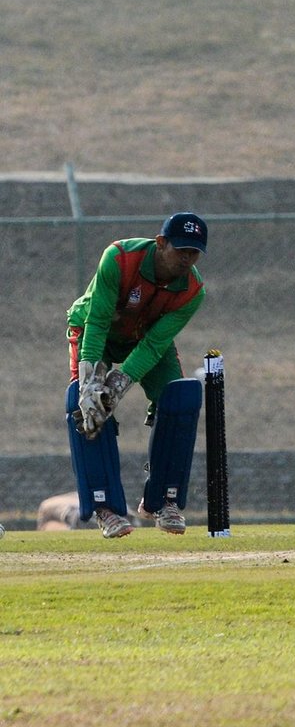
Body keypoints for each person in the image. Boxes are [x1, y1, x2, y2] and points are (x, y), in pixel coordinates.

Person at [66, 212, 208, 538]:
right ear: (161, 243)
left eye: (194, 253)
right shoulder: (120, 258)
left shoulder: (193, 290)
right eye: (181, 250)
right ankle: (105, 507)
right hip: (95, 333)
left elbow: (155, 344)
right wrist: (92, 382)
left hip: (145, 341)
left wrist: (119, 383)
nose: (187, 259)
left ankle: (163, 498)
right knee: (86, 406)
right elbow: (97, 321)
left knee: (179, 401)